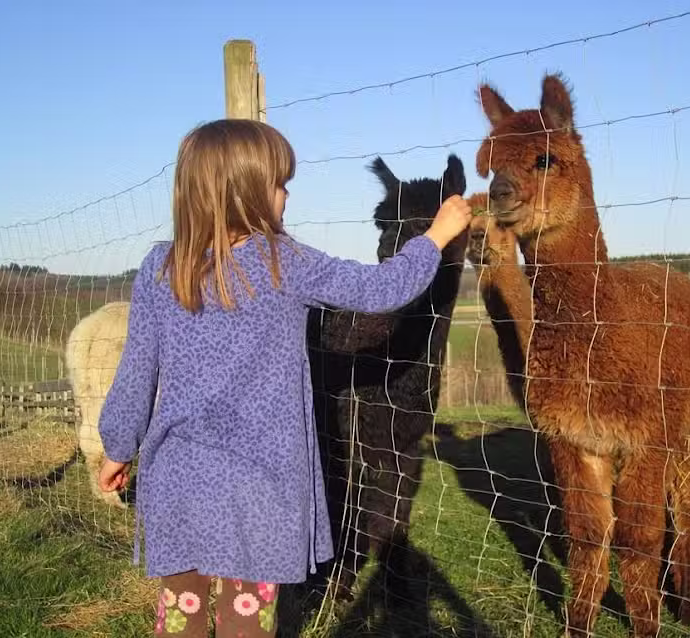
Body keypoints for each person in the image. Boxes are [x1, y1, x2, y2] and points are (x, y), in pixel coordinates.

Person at [95, 118, 472, 637]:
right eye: (279, 184)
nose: (287, 195)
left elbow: (136, 371)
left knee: (181, 616)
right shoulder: (283, 262)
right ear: (245, 192)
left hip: (179, 484)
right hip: (261, 491)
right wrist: (435, 237)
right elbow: (381, 289)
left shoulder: (162, 267)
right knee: (246, 624)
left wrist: (117, 448)